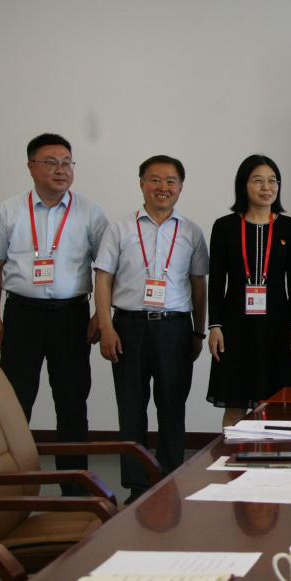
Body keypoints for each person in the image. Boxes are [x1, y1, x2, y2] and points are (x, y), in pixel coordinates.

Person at [0, 133, 108, 490]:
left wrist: (100, 315)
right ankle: (11, 489)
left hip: (71, 317)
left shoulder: (89, 211)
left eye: (67, 162)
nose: (60, 170)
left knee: (72, 402)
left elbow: (106, 269)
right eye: (51, 162)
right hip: (22, 315)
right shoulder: (10, 210)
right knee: (15, 402)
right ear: (31, 167)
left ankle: (76, 488)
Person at [94, 155, 208, 502]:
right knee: (131, 408)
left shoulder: (191, 232)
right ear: (142, 183)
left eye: (171, 181)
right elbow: (103, 279)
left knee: (172, 408)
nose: (163, 187)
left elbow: (198, 285)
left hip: (175, 328)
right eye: (155, 179)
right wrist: (106, 326)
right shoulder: (119, 229)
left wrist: (198, 331)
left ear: (181, 187)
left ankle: (170, 480)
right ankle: (137, 486)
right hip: (129, 327)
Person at [206, 155, 291, 425]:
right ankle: (232, 452)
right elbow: (216, 281)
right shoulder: (224, 226)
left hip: (277, 327)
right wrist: (215, 325)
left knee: (276, 407)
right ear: (243, 185)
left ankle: (272, 453)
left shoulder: (290, 227)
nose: (266, 187)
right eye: (258, 180)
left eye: (272, 181)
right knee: (235, 405)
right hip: (234, 326)